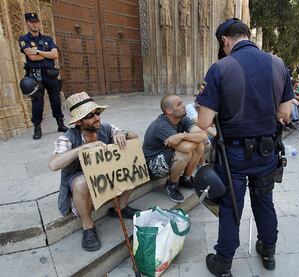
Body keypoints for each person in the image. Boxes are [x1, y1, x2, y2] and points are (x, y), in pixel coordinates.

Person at [196, 18, 294, 276]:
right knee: (264, 201)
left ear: (224, 40)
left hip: (235, 155)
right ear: (247, 36)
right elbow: (285, 113)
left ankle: (224, 263)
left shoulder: (219, 69)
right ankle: (268, 251)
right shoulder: (278, 64)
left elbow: (204, 121)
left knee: (231, 207)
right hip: (267, 151)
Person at [48, 92, 139, 251]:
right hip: (82, 184)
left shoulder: (106, 128)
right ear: (78, 121)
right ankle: (88, 226)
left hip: (103, 179)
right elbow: (54, 165)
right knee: (81, 182)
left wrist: (122, 134)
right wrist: (84, 148)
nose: (96, 117)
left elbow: (134, 137)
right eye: (90, 115)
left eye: (97, 112)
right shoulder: (68, 138)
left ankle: (121, 207)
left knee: (130, 162)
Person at [143, 95, 207, 202]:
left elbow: (204, 136)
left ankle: (185, 178)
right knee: (184, 153)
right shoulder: (161, 125)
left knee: (199, 145)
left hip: (167, 154)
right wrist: (195, 138)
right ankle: (171, 185)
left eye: (182, 102)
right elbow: (186, 148)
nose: (184, 106)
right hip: (153, 165)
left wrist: (183, 136)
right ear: (169, 111)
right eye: (179, 104)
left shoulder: (182, 119)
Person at [19, 13, 68, 140]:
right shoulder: (24, 39)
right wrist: (46, 54)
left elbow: (55, 55)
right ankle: (37, 128)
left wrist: (38, 52)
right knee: (37, 103)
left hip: (50, 74)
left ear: (39, 23)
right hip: (36, 76)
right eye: (31, 22)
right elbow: (31, 57)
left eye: (36, 22)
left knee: (56, 100)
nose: (34, 24)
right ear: (27, 23)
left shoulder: (48, 39)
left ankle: (60, 123)